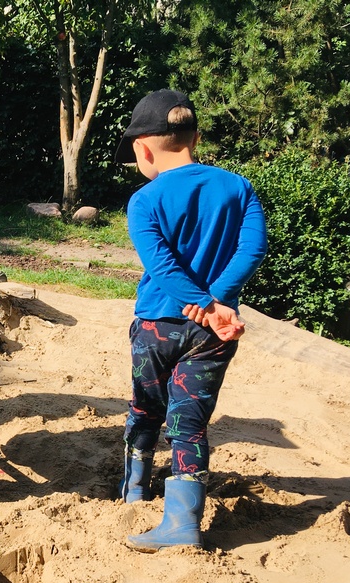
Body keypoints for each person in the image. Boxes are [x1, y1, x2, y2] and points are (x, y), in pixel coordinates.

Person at [114, 89, 268, 551]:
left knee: (145, 407)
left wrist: (200, 301)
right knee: (190, 421)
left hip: (156, 327)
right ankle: (182, 520)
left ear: (142, 149)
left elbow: (161, 265)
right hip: (214, 333)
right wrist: (216, 302)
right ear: (195, 138)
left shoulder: (144, 200)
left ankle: (134, 488)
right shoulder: (238, 187)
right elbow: (253, 248)